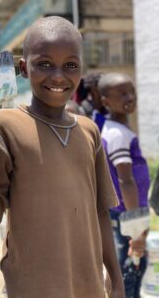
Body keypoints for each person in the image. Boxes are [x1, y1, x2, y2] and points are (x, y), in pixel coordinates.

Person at [0, 16, 125, 298]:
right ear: (24, 68)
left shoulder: (88, 130)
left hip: (88, 286)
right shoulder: (3, 125)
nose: (58, 75)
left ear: (81, 70)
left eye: (70, 65)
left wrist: (117, 280)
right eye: (44, 64)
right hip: (32, 287)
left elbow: (100, 212)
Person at [99, 72, 150, 298]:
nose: (130, 97)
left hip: (125, 214)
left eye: (131, 91)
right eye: (121, 94)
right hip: (128, 217)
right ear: (105, 102)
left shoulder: (116, 130)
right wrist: (136, 230)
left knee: (129, 274)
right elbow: (125, 180)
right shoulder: (118, 134)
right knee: (129, 276)